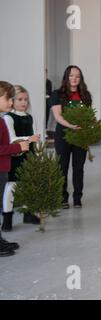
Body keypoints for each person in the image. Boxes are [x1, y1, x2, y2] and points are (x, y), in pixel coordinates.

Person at [50, 65, 92, 209]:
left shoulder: (86, 95)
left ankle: (77, 198)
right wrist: (70, 125)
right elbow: (57, 116)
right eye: (71, 75)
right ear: (66, 77)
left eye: (77, 76)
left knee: (78, 168)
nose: (74, 78)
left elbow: (88, 116)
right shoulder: (57, 94)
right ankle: (63, 198)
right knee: (62, 167)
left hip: (81, 136)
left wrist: (92, 128)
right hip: (63, 135)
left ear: (81, 79)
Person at [1, 85, 40, 232]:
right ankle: (7, 218)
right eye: (20, 99)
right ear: (12, 100)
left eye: (26, 100)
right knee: (12, 187)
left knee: (29, 185)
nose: (23, 102)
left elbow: (35, 135)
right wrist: (28, 138)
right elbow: (11, 139)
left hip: (29, 155)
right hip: (15, 157)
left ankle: (28, 213)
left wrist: (35, 144)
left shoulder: (30, 117)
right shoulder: (8, 118)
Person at [0, 81, 29, 256]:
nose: (11, 102)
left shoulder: (2, 120)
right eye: (8, 98)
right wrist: (17, 148)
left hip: (3, 169)